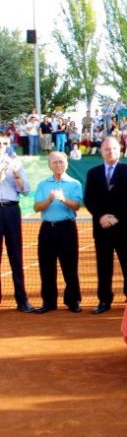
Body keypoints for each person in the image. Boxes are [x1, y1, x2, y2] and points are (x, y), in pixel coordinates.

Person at [84, 137, 127, 314]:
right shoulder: (93, 173)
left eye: (114, 148)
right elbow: (89, 199)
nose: (111, 152)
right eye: (107, 149)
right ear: (101, 151)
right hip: (102, 228)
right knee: (103, 266)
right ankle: (104, 300)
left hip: (124, 227)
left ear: (120, 150)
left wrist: (116, 217)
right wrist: (101, 216)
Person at [32, 152, 83, 313]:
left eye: (61, 162)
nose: (58, 165)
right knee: (46, 267)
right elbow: (36, 207)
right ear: (50, 166)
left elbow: (77, 206)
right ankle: (49, 302)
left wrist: (62, 199)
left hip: (67, 228)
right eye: (55, 163)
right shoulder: (43, 184)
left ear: (66, 164)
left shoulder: (74, 183)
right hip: (47, 229)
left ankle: (73, 301)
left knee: (70, 266)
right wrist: (49, 199)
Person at [0, 134, 35, 312]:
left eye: (4, 143)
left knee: (16, 256)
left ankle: (22, 301)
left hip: (12, 210)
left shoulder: (16, 163)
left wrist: (15, 175)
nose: (1, 146)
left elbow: (26, 190)